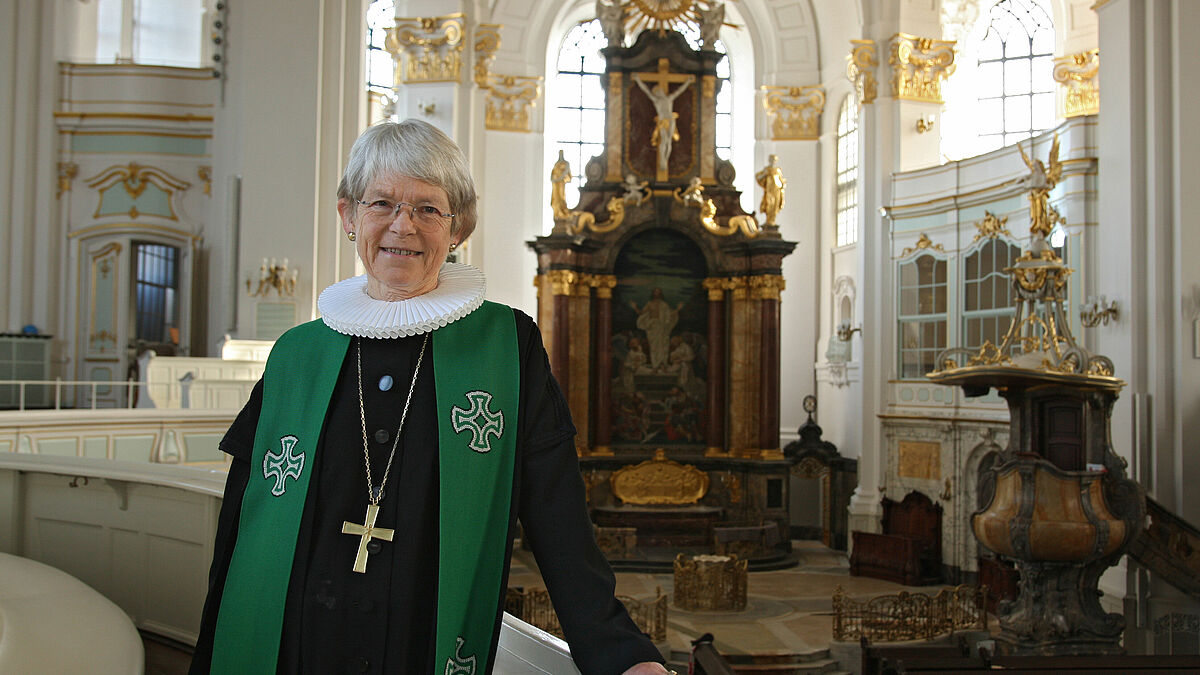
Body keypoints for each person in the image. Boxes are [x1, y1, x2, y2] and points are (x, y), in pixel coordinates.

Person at [190, 120, 669, 675]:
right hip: (295, 645)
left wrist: (620, 654)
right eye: (383, 204)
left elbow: (556, 512)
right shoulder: (297, 354)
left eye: (427, 209)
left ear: (458, 227)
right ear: (349, 216)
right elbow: (240, 524)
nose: (403, 226)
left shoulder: (506, 346)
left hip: (423, 643)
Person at [632, 74, 693, 175]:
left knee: (669, 141)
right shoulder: (656, 101)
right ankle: (663, 161)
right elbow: (646, 91)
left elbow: (679, 91)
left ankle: (666, 159)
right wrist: (638, 80)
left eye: (660, 90)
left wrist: (688, 82)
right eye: (657, 91)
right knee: (664, 140)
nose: (660, 92)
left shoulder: (669, 98)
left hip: (671, 120)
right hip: (663, 121)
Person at [630, 287, 682, 371]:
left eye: (658, 292)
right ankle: (655, 366)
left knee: (663, 346)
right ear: (653, 293)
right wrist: (635, 307)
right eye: (655, 292)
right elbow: (641, 313)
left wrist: (678, 309)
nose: (657, 294)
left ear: (661, 294)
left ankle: (663, 364)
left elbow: (670, 314)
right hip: (653, 327)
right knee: (653, 347)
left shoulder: (664, 305)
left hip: (662, 327)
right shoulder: (649, 304)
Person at [756, 154, 786, 227]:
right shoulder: (767, 169)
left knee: (775, 206)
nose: (773, 161)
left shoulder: (778, 170)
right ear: (769, 160)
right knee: (769, 205)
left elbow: (781, 180)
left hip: (777, 191)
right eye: (772, 160)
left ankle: (772, 221)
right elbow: (759, 177)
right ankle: (769, 221)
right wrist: (764, 174)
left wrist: (783, 184)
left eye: (774, 160)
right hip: (769, 191)